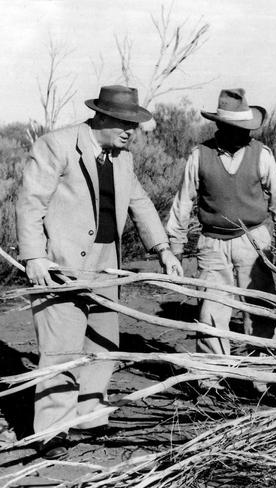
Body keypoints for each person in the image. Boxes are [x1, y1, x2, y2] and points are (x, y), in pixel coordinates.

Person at [16, 85, 183, 459]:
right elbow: (30, 202)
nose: (131, 131)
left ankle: (89, 416)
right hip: (60, 262)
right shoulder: (57, 145)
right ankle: (52, 430)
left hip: (108, 262)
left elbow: (139, 202)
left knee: (104, 342)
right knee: (60, 348)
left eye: (135, 125)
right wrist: (34, 256)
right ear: (101, 117)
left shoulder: (122, 157)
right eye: (124, 123)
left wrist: (163, 249)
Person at [166, 88, 276, 358]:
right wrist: (175, 245)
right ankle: (213, 377)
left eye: (246, 127)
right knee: (211, 309)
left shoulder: (261, 154)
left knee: (260, 307)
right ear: (220, 125)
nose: (244, 133)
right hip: (212, 242)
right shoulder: (199, 155)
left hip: (254, 239)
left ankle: (264, 374)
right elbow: (183, 202)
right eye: (237, 127)